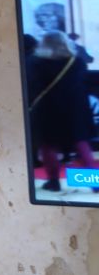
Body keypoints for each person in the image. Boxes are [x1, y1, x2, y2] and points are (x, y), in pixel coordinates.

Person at [28, 30, 99, 193]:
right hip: (75, 109)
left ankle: (53, 182)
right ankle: (95, 183)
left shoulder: (35, 62)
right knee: (82, 145)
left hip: (47, 109)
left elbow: (32, 86)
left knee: (48, 146)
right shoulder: (76, 61)